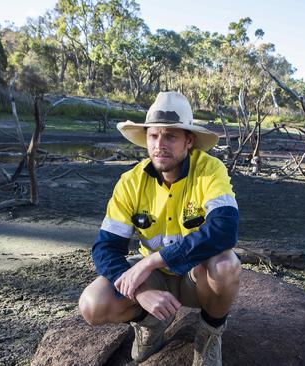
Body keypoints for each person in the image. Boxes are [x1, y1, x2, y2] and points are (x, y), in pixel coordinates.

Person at [78, 91, 241, 365]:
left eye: (170, 136)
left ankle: (209, 335)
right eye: (153, 136)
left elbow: (225, 229)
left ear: (189, 141)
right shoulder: (130, 182)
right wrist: (140, 292)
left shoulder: (210, 170)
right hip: (154, 280)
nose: (159, 145)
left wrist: (152, 261)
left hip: (195, 277)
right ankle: (150, 323)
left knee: (226, 265)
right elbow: (106, 248)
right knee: (93, 304)